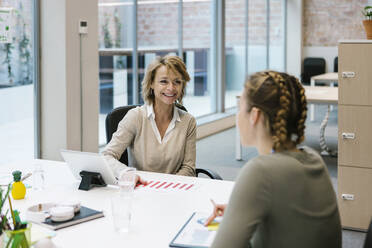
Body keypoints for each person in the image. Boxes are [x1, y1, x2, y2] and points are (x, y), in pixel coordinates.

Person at [206, 71, 341, 248]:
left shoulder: (260, 171)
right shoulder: (312, 157)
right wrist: (240, 208)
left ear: (254, 115)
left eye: (240, 109)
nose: (238, 117)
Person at [102, 55, 196, 184]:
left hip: (173, 192)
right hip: (141, 189)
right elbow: (107, 156)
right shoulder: (135, 117)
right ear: (151, 83)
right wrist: (126, 173)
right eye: (164, 81)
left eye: (177, 82)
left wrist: (166, 186)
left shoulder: (188, 121)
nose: (171, 88)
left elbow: (189, 168)